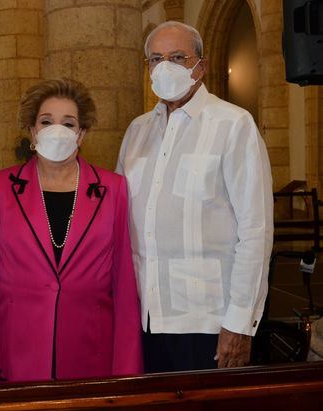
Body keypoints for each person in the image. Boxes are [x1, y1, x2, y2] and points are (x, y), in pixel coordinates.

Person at [116, 21, 273, 372]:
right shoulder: (137, 131)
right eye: (156, 58)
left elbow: (255, 230)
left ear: (200, 67)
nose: (165, 66)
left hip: (208, 320)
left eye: (177, 57)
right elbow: (120, 219)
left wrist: (239, 322)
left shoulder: (233, 125)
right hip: (146, 317)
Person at [0, 78, 142, 383]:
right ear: (33, 131)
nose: (56, 130)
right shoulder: (1, 186)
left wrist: (126, 369)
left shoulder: (113, 189)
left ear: (82, 133)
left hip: (91, 352)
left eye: (69, 123)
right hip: (17, 352)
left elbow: (124, 284)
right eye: (46, 121)